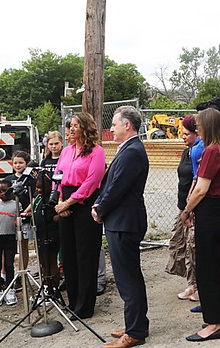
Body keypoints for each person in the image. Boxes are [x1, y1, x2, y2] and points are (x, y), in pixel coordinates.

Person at [93, 106, 150, 348]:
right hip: (120, 220)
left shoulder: (133, 152)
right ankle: (134, 324)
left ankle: (136, 332)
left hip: (125, 222)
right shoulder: (128, 149)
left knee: (128, 278)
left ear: (127, 125)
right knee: (128, 276)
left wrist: (100, 209)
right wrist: (100, 204)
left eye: (114, 124)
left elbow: (118, 188)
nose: (111, 129)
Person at [181, 108, 220, 341]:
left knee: (208, 269)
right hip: (216, 211)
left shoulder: (212, 151)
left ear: (208, 126)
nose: (197, 129)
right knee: (216, 264)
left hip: (210, 212)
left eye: (200, 125)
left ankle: (213, 323)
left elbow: (202, 188)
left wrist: (187, 209)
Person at [54, 112, 106, 319]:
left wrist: (69, 201)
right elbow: (58, 177)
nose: (72, 129)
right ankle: (73, 301)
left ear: (86, 128)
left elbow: (91, 182)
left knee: (85, 254)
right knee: (68, 254)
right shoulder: (66, 152)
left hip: (85, 204)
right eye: (71, 125)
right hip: (64, 203)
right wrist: (59, 201)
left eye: (76, 125)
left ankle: (85, 305)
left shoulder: (96, 152)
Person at [166, 115, 199, 303]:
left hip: (191, 207)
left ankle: (200, 286)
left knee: (194, 247)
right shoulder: (187, 151)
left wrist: (190, 208)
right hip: (182, 206)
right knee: (182, 245)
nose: (183, 137)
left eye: (186, 134)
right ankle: (191, 283)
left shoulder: (199, 151)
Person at [0, 179, 18, 307]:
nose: (2, 194)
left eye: (4, 190)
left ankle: (10, 289)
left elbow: (19, 217)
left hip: (10, 237)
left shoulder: (16, 204)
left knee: (9, 264)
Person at [5, 150, 34, 275]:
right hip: (10, 217)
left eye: (21, 163)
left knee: (23, 246)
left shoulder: (30, 179)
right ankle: (7, 273)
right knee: (8, 247)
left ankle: (22, 272)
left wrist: (28, 210)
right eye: (15, 163)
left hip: (25, 217)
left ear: (26, 163)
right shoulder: (8, 179)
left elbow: (35, 197)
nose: (18, 165)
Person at [32, 171, 60, 293]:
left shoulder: (53, 198)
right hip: (40, 233)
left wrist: (56, 218)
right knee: (43, 262)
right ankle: (46, 285)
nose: (38, 190)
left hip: (51, 234)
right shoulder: (38, 197)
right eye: (37, 187)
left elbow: (57, 215)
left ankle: (53, 288)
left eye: (41, 188)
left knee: (51, 261)